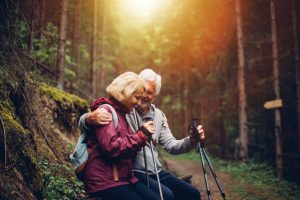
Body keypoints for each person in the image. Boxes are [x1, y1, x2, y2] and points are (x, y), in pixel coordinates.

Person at [80, 69, 205, 200]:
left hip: (154, 171)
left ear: (155, 94)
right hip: (134, 172)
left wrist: (191, 141)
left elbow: (171, 145)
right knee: (167, 196)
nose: (144, 96)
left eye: (149, 92)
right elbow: (102, 118)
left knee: (192, 194)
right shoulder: (127, 109)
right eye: (141, 92)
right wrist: (87, 118)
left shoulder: (159, 116)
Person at [82, 72, 162, 200]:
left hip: (122, 177)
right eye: (137, 97)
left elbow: (127, 146)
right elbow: (111, 148)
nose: (138, 103)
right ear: (125, 93)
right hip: (105, 181)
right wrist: (141, 135)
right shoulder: (106, 112)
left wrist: (142, 136)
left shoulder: (122, 114)